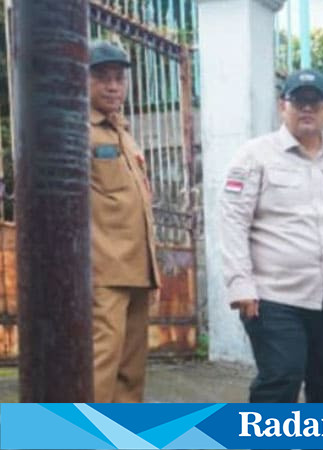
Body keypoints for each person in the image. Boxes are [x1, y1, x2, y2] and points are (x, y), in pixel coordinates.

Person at [219, 68, 323, 403]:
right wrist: (240, 285)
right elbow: (233, 221)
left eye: (315, 101)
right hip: (274, 297)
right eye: (298, 101)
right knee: (281, 379)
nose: (306, 108)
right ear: (282, 106)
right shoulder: (255, 155)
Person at [89, 41, 160, 402]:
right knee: (100, 368)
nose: (113, 86)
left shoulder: (125, 133)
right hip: (102, 272)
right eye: (102, 78)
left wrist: (153, 272)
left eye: (119, 78)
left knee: (131, 373)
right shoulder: (78, 132)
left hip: (137, 269)